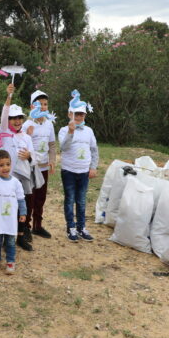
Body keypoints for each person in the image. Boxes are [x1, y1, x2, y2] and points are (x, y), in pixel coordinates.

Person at [0, 84, 35, 251]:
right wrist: (9, 96)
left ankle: (20, 236)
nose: (17, 120)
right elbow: (4, 113)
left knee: (22, 208)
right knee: (8, 208)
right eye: (13, 118)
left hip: (23, 179)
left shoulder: (27, 137)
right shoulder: (4, 132)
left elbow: (33, 158)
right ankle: (8, 239)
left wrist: (29, 156)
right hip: (7, 178)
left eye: (19, 117)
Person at [57, 104, 99, 242]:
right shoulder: (64, 130)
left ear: (85, 116)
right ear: (70, 114)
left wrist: (93, 167)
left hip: (84, 172)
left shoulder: (89, 131)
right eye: (76, 114)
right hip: (69, 171)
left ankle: (81, 227)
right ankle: (71, 227)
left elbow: (94, 150)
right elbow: (63, 147)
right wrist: (71, 132)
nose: (79, 117)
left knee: (81, 201)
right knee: (69, 200)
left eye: (82, 114)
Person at [22, 90, 56, 239]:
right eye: (39, 104)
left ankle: (38, 226)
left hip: (43, 167)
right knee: (30, 197)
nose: (43, 107)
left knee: (40, 198)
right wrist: (28, 135)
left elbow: (52, 145)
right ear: (32, 106)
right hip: (30, 168)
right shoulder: (27, 125)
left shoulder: (49, 124)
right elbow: (21, 145)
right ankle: (26, 227)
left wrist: (52, 161)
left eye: (45, 104)